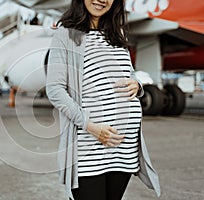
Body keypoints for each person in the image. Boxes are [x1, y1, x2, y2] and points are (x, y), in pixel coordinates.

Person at [45, 0, 161, 200]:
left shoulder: (118, 33)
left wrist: (138, 85)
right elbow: (55, 89)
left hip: (124, 149)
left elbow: (127, 73)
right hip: (89, 146)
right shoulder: (66, 34)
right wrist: (91, 127)